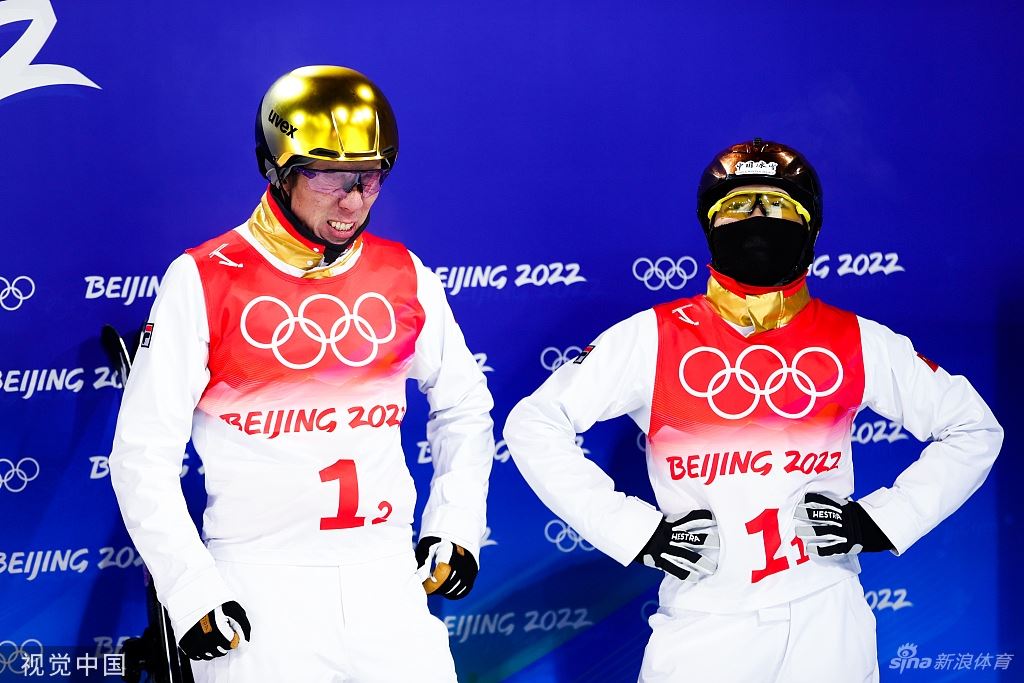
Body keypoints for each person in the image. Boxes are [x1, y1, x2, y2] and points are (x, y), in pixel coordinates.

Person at [502, 138, 1002, 682]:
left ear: (810, 227)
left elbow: (973, 428)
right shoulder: (652, 336)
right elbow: (534, 424)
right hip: (705, 623)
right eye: (739, 206)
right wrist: (637, 532)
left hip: (827, 620)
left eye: (778, 206)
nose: (758, 221)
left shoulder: (855, 339)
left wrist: (883, 520)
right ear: (710, 223)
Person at [109, 65, 494, 682]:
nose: (354, 200)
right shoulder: (205, 277)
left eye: (370, 176)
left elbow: (464, 406)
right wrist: (190, 588)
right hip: (259, 588)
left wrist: (456, 523)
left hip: (387, 583)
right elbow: (142, 453)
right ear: (277, 168)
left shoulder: (404, 272)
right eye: (330, 176)